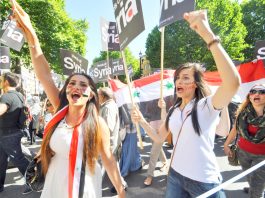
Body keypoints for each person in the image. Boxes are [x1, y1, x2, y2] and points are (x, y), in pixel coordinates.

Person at [12, 1, 125, 197]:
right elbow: (44, 73)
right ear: (66, 90)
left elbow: (108, 159)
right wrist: (31, 33)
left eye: (83, 85)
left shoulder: (98, 124)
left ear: (91, 94)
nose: (76, 87)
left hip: (84, 185)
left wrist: (122, 193)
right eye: (72, 83)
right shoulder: (59, 108)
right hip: (55, 181)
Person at [131, 10, 241, 198]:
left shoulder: (207, 105)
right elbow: (158, 138)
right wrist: (141, 120)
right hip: (174, 176)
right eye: (177, 79)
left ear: (196, 83)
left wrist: (208, 36)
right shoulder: (174, 109)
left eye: (185, 78)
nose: (178, 82)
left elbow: (232, 83)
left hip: (204, 182)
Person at [224, 84, 265, 198]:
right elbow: (235, 128)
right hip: (243, 153)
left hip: (262, 157)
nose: (257, 94)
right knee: (251, 179)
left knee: (256, 192)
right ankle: (255, 187)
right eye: (253, 91)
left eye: (262, 92)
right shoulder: (243, 112)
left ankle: (256, 190)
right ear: (249, 96)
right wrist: (226, 144)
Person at [0, 72, 31, 194]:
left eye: (2, 79)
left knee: (20, 160)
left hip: (8, 135)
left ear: (6, 82)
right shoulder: (19, 95)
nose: (1, 81)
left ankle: (36, 180)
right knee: (1, 161)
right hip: (10, 133)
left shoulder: (7, 96)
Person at [144, 99, 167, 187]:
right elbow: (147, 112)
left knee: (154, 152)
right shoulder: (149, 97)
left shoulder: (164, 95)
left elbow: (168, 111)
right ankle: (165, 162)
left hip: (162, 127)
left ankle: (150, 175)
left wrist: (163, 108)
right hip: (152, 127)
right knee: (157, 148)